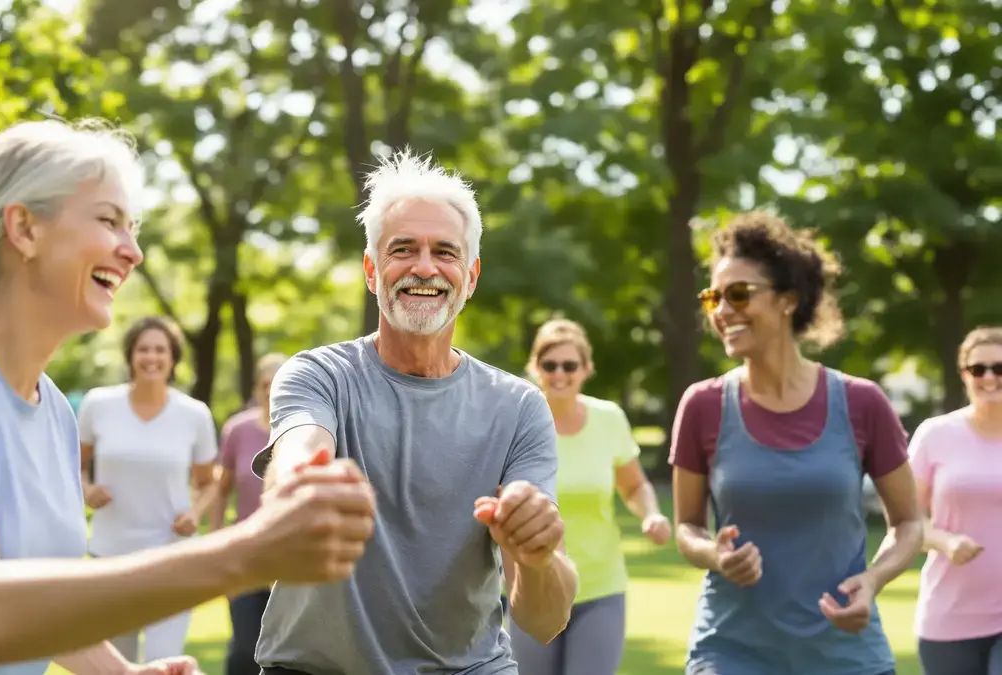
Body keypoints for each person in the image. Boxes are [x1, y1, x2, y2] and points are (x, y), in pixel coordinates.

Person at [0, 118, 377, 675]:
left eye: (134, 229)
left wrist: (121, 671)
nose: (134, 252)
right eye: (110, 222)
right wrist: (245, 553)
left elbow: (32, 594)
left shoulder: (52, 408)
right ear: (24, 229)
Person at [250, 150, 579, 675]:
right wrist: (301, 481)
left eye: (444, 252)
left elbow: (543, 620)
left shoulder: (518, 407)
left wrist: (538, 556)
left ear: (469, 276)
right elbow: (300, 454)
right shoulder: (319, 375)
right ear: (371, 271)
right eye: (403, 249)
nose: (424, 267)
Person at [669, 211, 923, 675]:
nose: (723, 311)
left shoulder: (862, 403)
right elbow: (687, 528)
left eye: (739, 294)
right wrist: (716, 556)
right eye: (713, 297)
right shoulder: (702, 405)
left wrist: (873, 580)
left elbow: (908, 523)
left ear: (788, 300)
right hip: (731, 653)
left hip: (847, 656)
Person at [510, 318, 672, 675]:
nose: (559, 374)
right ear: (535, 368)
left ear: (587, 369)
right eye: (549, 365)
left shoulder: (608, 419)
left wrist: (650, 514)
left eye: (570, 365)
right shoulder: (516, 420)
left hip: (600, 586)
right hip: (534, 587)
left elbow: (634, 485)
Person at [77, 316, 221, 664]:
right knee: (116, 667)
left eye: (160, 350)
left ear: (173, 358)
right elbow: (74, 464)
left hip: (172, 556)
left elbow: (209, 482)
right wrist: (86, 489)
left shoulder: (193, 414)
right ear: (130, 356)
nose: (151, 357)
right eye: (143, 349)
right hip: (110, 557)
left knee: (162, 662)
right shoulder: (98, 405)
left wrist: (195, 514)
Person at [908, 326, 1002, 675]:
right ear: (965, 375)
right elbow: (907, 519)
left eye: (999, 368)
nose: (989, 377)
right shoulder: (935, 435)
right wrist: (945, 541)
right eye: (979, 369)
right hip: (949, 616)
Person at [211, 351, 288, 675]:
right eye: (264, 384)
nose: (270, 391)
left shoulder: (307, 426)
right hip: (244, 555)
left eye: (278, 383)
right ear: (256, 388)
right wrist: (216, 542)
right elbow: (221, 489)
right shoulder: (237, 429)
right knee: (244, 648)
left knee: (283, 651)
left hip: (289, 557)